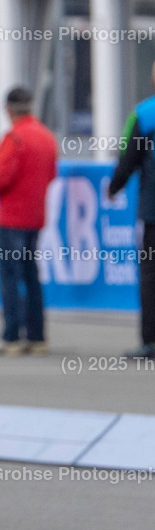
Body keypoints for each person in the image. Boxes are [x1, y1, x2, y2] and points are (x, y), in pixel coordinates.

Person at [0, 87, 57, 356]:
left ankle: (11, 336)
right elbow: (51, 173)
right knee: (31, 275)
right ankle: (36, 336)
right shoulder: (46, 137)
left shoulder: (15, 137)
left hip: (12, 218)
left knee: (9, 277)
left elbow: (2, 177)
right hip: (35, 217)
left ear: (8, 110)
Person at [108, 62, 155, 360]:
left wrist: (114, 188)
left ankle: (150, 342)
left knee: (151, 275)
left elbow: (128, 158)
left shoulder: (143, 113)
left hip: (152, 213)